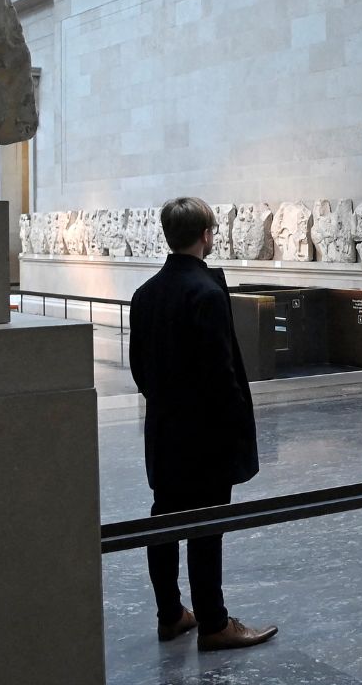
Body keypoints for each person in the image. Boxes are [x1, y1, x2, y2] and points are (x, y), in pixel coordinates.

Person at [129, 196, 278, 651]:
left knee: (165, 519)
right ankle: (214, 623)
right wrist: (236, 428)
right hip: (206, 434)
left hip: (164, 430)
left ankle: (171, 613)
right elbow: (221, 373)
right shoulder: (207, 294)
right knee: (206, 527)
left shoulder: (145, 293)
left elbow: (139, 368)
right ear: (207, 235)